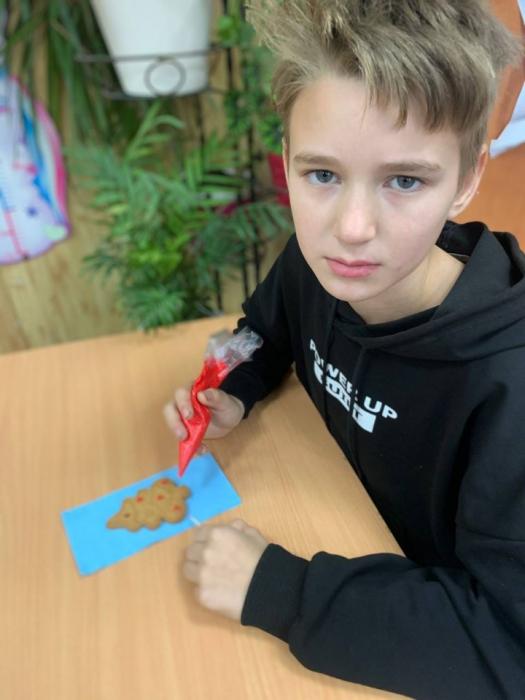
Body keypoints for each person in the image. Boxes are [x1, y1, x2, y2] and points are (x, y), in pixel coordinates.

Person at [163, 2, 525, 697]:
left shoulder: (508, 387)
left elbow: (507, 645)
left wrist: (281, 590)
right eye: (322, 175)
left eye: (405, 180)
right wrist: (233, 392)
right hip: (336, 514)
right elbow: (264, 332)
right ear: (288, 159)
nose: (351, 229)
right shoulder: (316, 265)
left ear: (467, 178)